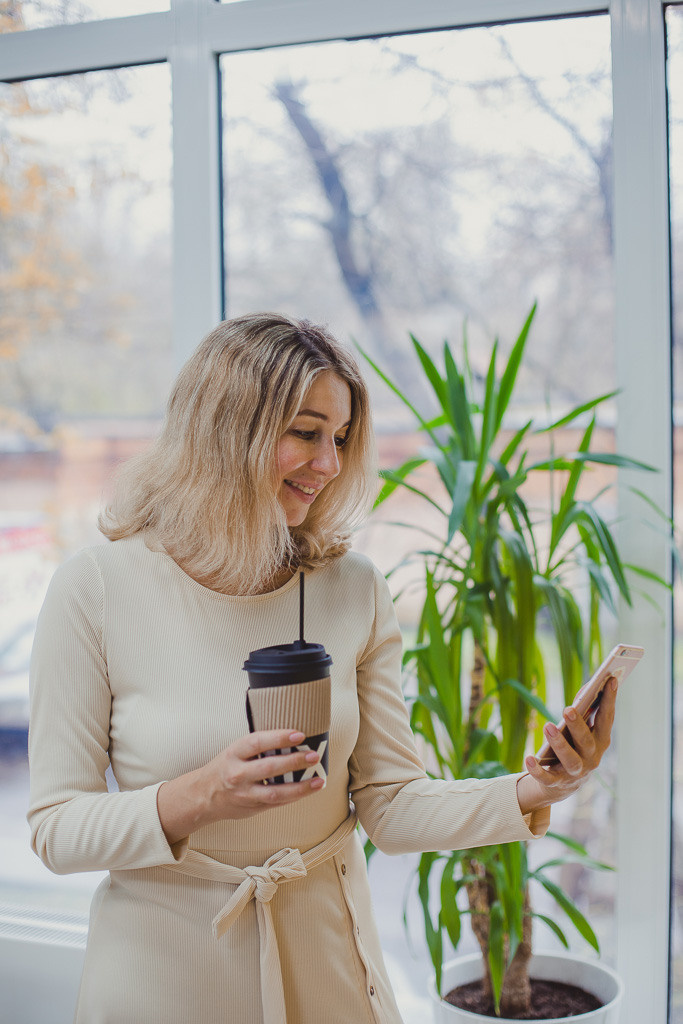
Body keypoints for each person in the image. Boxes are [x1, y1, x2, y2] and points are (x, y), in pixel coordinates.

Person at [27, 313, 616, 1024]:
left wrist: (536, 787)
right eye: (306, 433)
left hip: (328, 962)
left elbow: (390, 805)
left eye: (339, 438)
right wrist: (202, 794)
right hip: (162, 973)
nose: (330, 464)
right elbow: (57, 829)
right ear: (225, 429)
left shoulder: (352, 588)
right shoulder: (95, 589)